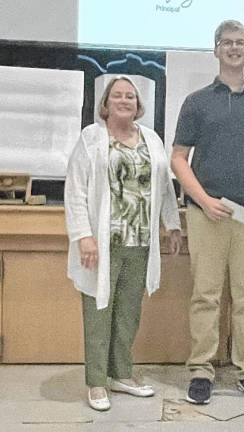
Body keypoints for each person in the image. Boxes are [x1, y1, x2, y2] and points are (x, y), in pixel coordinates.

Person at [170, 20, 244, 405]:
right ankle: (201, 370)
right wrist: (204, 200)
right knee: (205, 295)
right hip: (207, 213)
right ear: (216, 50)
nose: (234, 48)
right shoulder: (196, 101)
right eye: (227, 43)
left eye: (240, 42)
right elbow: (178, 159)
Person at [65, 75, 182, 411]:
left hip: (141, 242)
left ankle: (121, 375)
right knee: (99, 311)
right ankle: (97, 382)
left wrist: (172, 225)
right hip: (102, 243)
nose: (124, 101)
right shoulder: (92, 138)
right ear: (105, 103)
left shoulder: (152, 139)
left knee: (129, 312)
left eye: (130, 96)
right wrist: (83, 235)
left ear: (138, 104)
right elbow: (76, 189)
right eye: (117, 95)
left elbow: (164, 186)